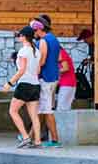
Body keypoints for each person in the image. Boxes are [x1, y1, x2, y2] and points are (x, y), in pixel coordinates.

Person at [2, 26, 42, 149]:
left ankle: (25, 137)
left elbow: (22, 70)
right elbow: (38, 69)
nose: (19, 37)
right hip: (35, 84)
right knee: (34, 115)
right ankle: (38, 141)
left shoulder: (23, 51)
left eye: (20, 35)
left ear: (24, 36)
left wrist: (9, 83)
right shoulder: (37, 51)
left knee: (13, 111)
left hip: (24, 84)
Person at [32, 15, 62, 147]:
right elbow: (59, 57)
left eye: (34, 30)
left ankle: (55, 140)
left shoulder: (44, 41)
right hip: (53, 76)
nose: (33, 33)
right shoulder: (54, 39)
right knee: (42, 109)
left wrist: (33, 70)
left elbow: (41, 61)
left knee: (47, 110)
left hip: (45, 78)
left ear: (39, 29)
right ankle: (30, 136)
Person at [56, 47, 76, 111]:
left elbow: (65, 68)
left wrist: (53, 71)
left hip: (67, 83)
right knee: (65, 108)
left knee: (61, 108)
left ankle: (62, 121)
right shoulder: (61, 53)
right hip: (68, 83)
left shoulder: (61, 53)